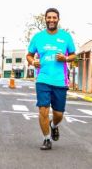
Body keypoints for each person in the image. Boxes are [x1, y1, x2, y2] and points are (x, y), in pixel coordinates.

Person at [26, 8, 76, 150]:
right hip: (43, 79)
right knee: (43, 110)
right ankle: (46, 139)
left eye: (54, 17)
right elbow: (29, 55)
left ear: (58, 19)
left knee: (58, 114)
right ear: (45, 19)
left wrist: (65, 58)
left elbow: (74, 55)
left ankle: (53, 125)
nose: (51, 20)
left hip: (60, 81)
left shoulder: (65, 37)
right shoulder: (38, 37)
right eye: (49, 17)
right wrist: (32, 61)